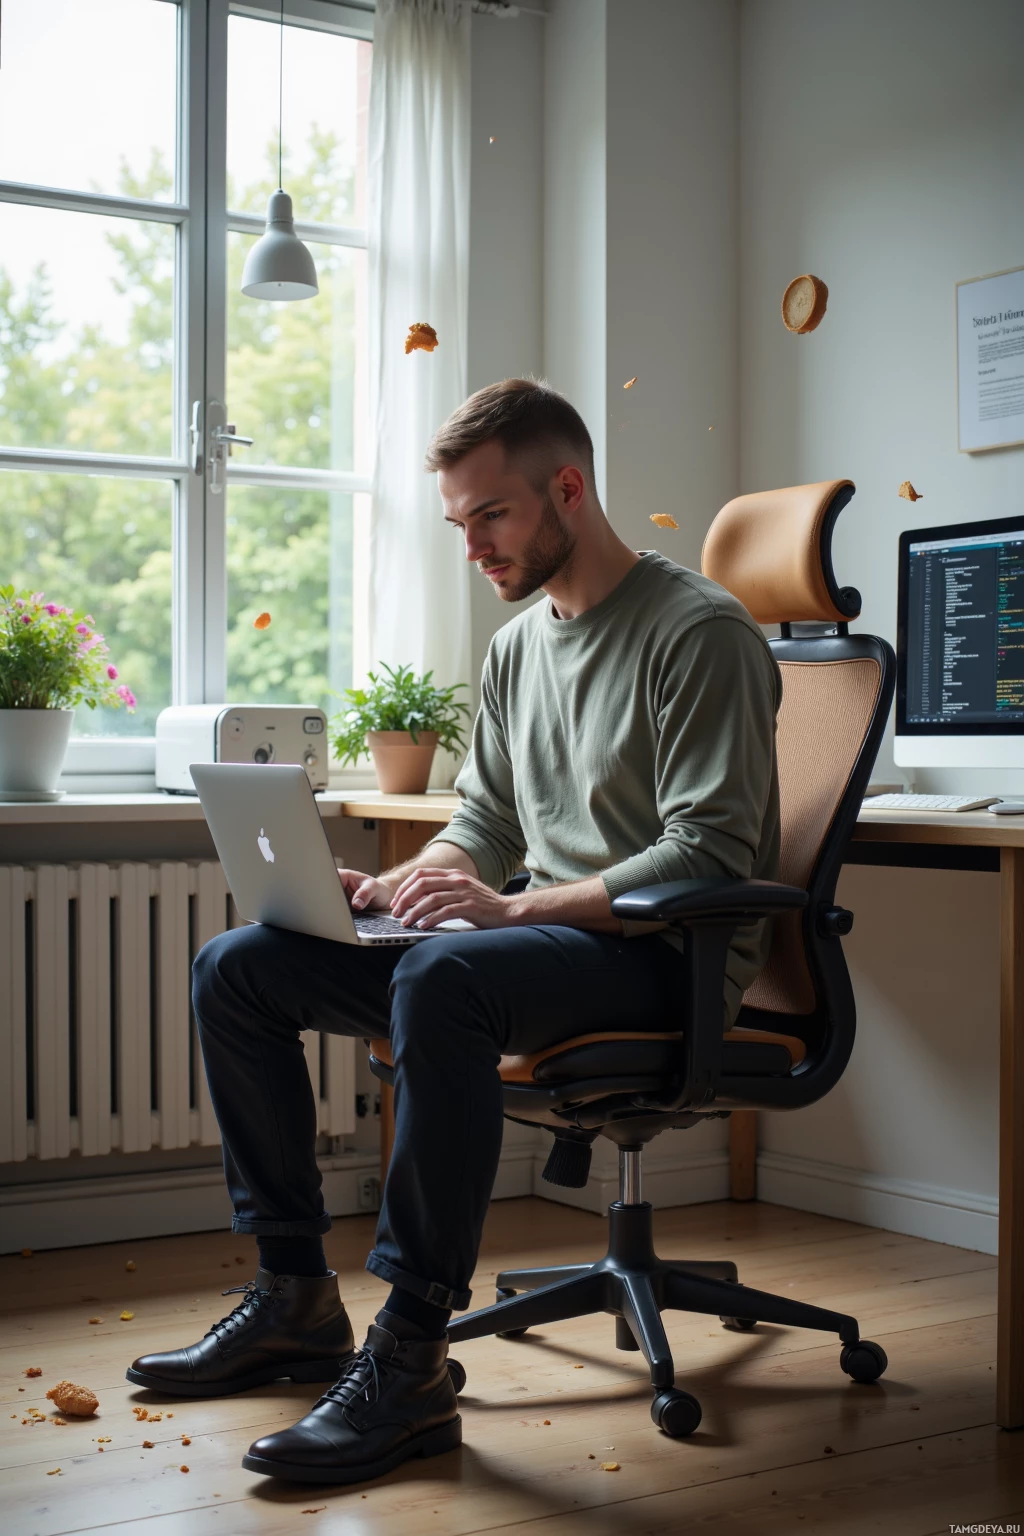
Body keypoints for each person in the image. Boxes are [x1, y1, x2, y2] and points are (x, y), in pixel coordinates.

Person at [127, 378, 782, 1486]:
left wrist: (510, 906)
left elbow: (706, 855)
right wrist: (401, 887)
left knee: (445, 982)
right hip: (549, 952)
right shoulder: (520, 649)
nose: (473, 545)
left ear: (565, 489)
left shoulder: (696, 631)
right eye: (459, 523)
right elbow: (481, 821)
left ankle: (414, 1356)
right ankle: (294, 1299)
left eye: (492, 516)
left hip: (666, 961)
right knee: (239, 969)